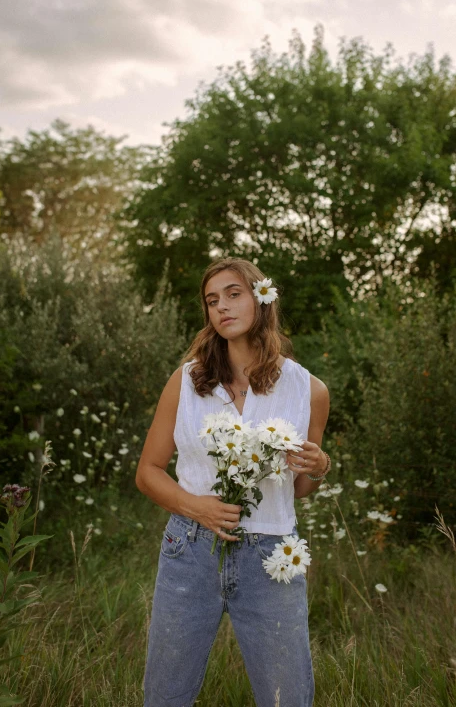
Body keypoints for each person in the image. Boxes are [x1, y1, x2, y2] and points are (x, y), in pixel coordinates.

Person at [135, 256, 330, 707]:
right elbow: (148, 472)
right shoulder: (187, 381)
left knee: (288, 698)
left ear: (263, 298)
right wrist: (195, 507)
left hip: (272, 556)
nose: (221, 307)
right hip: (190, 550)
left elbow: (299, 488)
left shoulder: (309, 390)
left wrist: (318, 468)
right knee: (165, 695)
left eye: (234, 294)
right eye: (212, 300)